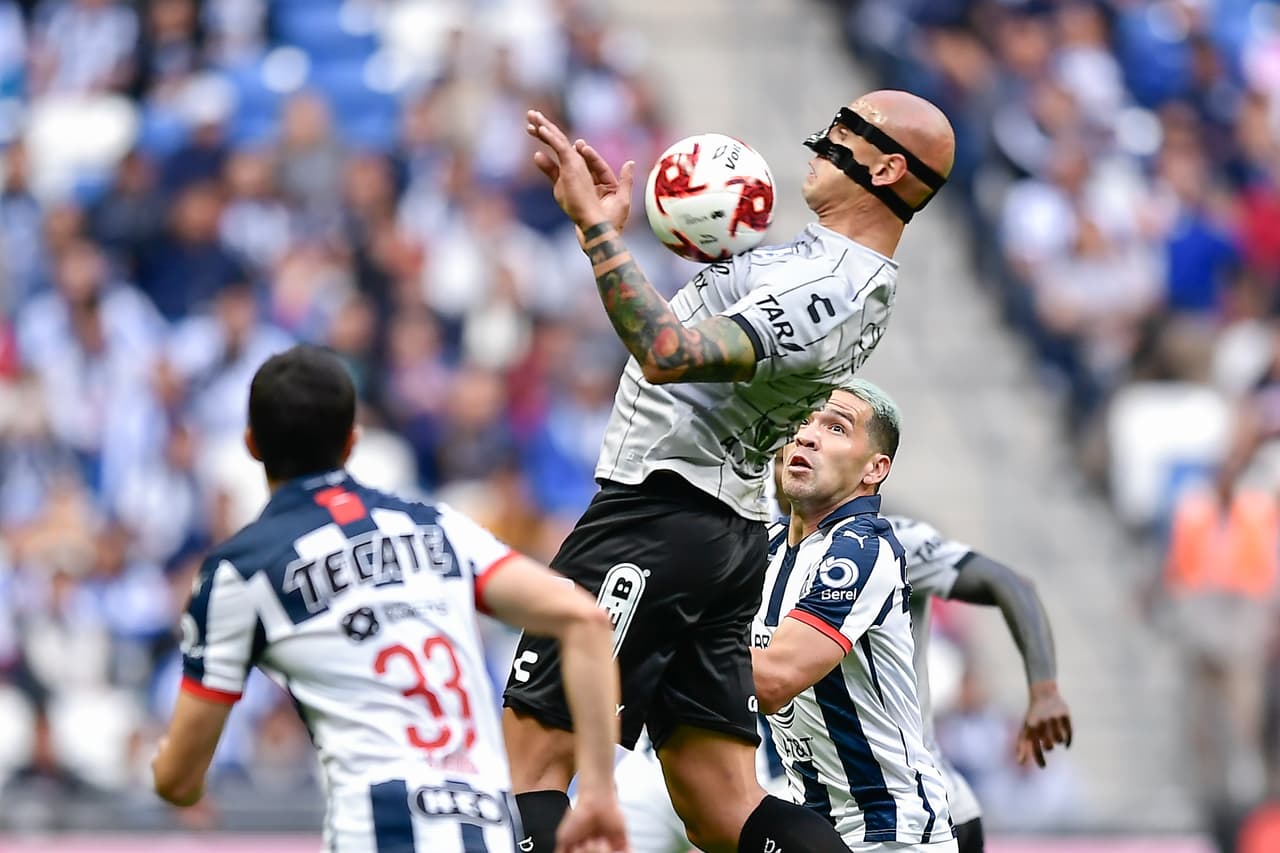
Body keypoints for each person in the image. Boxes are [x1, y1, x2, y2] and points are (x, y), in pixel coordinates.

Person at [504, 92, 955, 853]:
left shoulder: (832, 287)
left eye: (845, 130)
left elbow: (669, 353)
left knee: (532, 762)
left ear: (886, 165)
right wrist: (624, 237)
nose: (821, 138)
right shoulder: (828, 267)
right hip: (724, 531)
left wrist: (591, 233)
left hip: (658, 516)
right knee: (721, 803)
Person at [150, 344, 629, 853]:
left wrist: (176, 781)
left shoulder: (241, 571)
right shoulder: (439, 527)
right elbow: (585, 620)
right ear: (352, 442)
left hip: (382, 835)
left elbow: (178, 778)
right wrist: (598, 789)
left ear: (251, 444)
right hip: (488, 831)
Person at [750, 382, 956, 851]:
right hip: (814, 822)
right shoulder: (767, 549)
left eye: (835, 427)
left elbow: (770, 680)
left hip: (890, 833)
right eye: (803, 420)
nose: (806, 436)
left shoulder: (861, 550)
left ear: (874, 469)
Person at [883, 515, 1072, 853]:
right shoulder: (770, 549)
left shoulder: (894, 545)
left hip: (909, 805)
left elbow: (1011, 584)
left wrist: (1043, 692)